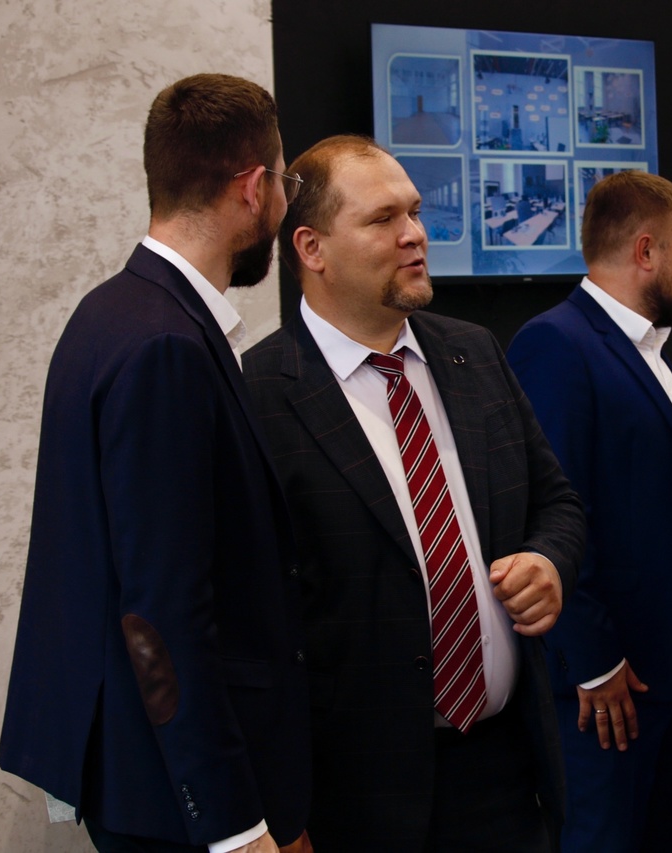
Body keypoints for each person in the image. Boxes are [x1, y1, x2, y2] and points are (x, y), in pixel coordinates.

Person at [241, 135, 585, 851]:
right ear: (311, 247)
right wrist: (273, 810)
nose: (415, 235)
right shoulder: (259, 395)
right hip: (353, 802)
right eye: (383, 219)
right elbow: (245, 630)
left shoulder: (474, 352)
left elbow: (557, 502)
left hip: (506, 774)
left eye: (416, 212)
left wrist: (548, 561)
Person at [0, 74, 311, 852]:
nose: (284, 202)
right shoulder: (167, 344)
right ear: (252, 189)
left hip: (138, 763)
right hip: (171, 790)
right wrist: (233, 824)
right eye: (285, 183)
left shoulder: (110, 310)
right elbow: (164, 610)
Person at [506, 171, 672, 852]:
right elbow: (550, 512)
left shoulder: (648, 351)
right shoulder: (556, 344)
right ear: (646, 251)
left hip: (669, 682)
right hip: (608, 695)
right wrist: (594, 661)